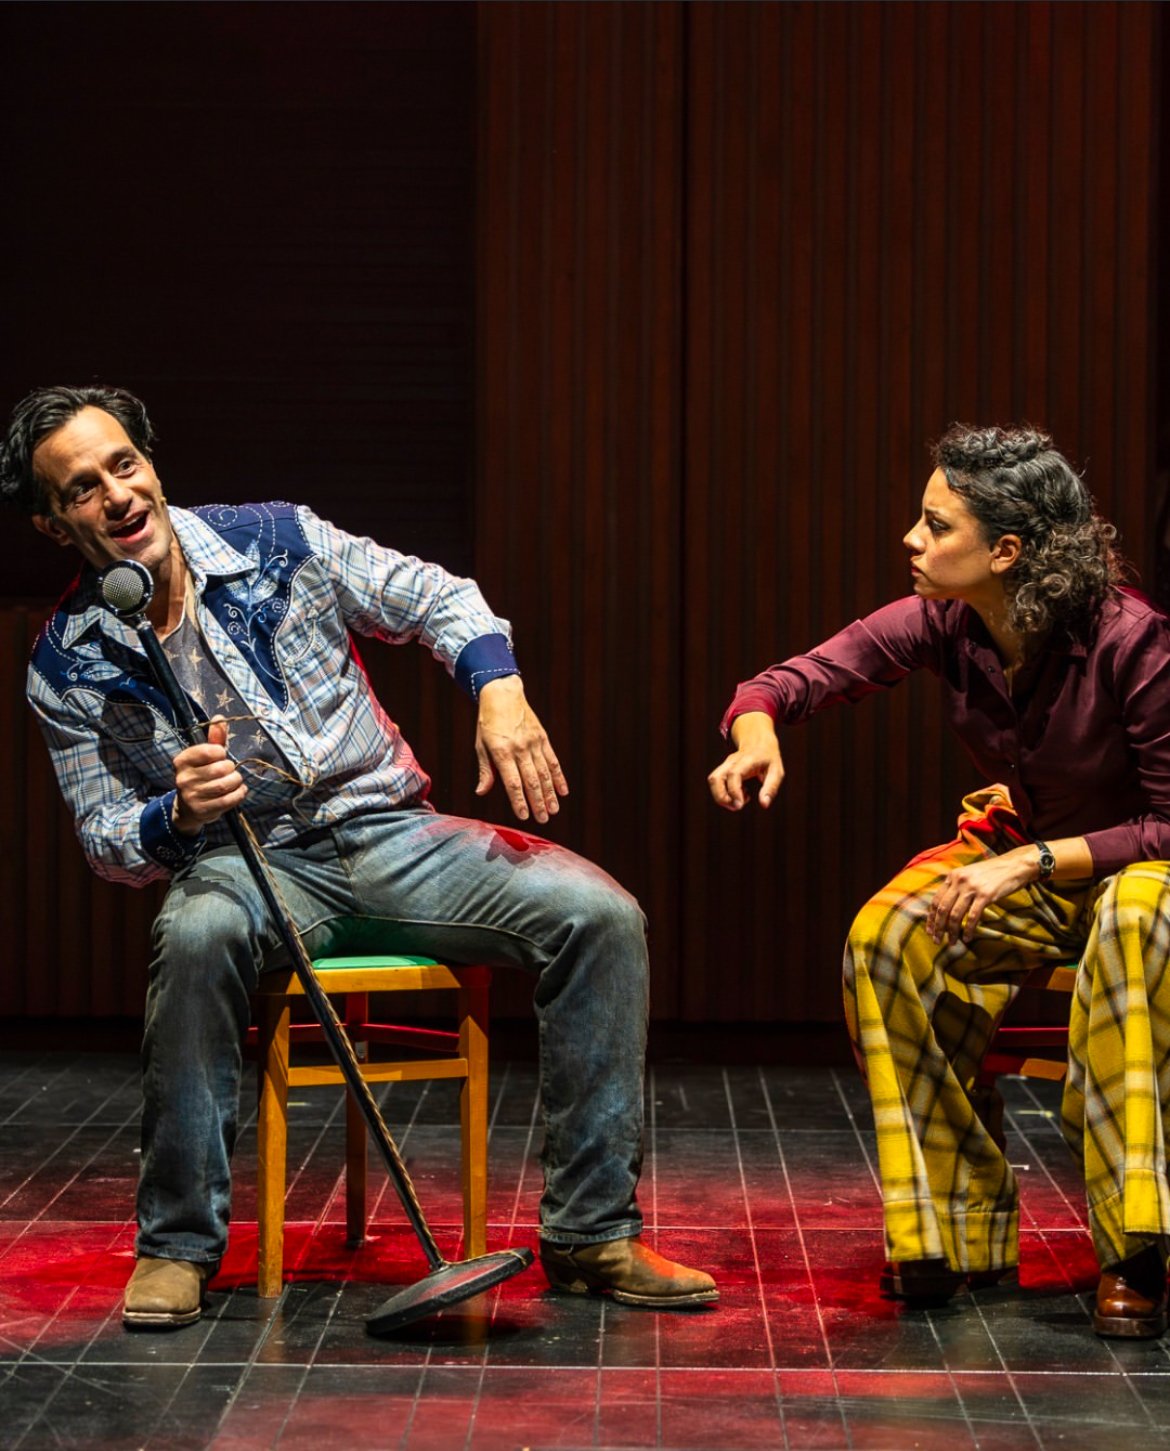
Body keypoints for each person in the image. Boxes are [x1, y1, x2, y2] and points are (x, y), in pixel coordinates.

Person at [1, 384, 717, 1329]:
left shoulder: (278, 540)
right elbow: (104, 840)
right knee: (200, 931)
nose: (117, 495)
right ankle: (177, 1244)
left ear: (151, 462)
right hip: (248, 867)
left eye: (123, 465)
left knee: (600, 915)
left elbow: (436, 597)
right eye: (84, 489)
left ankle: (591, 1233)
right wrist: (174, 814)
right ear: (58, 525)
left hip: (391, 834)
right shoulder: (68, 661)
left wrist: (498, 690)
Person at [709, 424, 1170, 1340]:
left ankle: (1136, 1248)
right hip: (1031, 858)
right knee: (891, 937)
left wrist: (1030, 861)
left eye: (936, 525)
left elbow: (1168, 822)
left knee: (1129, 920)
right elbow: (795, 678)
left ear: (1005, 550)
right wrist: (755, 730)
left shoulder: (1132, 639)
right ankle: (958, 1227)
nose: (913, 542)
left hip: (1144, 872)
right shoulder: (946, 621)